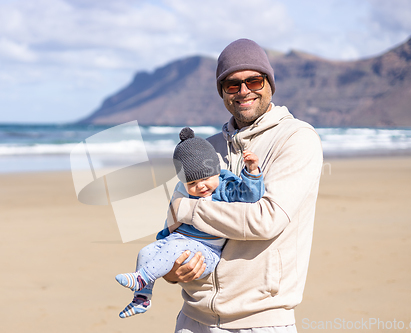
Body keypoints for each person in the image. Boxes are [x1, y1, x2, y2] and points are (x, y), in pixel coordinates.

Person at [163, 39, 324, 332]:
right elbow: (173, 225)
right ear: (222, 91)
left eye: (254, 80)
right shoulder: (205, 148)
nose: (244, 91)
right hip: (192, 319)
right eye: (232, 84)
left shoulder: (297, 138)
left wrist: (188, 209)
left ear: (270, 84)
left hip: (260, 320)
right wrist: (172, 271)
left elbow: (266, 220)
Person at [115, 127, 265, 318]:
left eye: (205, 179)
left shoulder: (226, 188)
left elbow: (250, 196)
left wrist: (252, 170)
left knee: (177, 246)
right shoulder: (183, 193)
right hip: (178, 243)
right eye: (192, 183)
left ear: (216, 172)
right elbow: (172, 220)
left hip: (207, 252)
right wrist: (161, 241)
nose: (200, 186)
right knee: (145, 252)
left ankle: (143, 278)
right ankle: (142, 298)